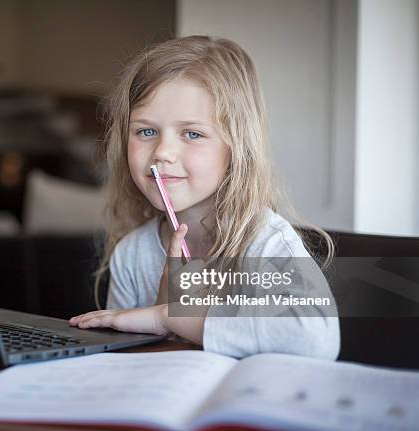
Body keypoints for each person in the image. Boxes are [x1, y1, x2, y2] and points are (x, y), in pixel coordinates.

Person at [69, 36, 340, 360]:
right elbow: (118, 362)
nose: (162, 152)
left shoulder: (266, 242)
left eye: (192, 134)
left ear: (236, 148)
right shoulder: (134, 254)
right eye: (146, 131)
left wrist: (171, 316)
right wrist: (160, 307)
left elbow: (316, 341)